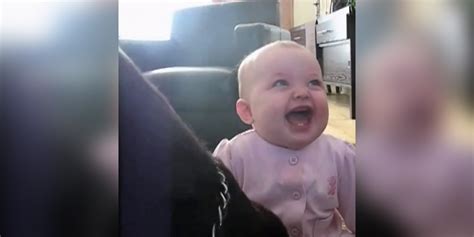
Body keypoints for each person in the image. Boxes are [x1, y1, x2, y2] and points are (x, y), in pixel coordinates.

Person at [213, 41, 355, 237]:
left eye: (314, 83)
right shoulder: (234, 156)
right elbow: (216, 215)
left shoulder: (341, 154)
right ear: (247, 111)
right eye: (281, 83)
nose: (302, 93)